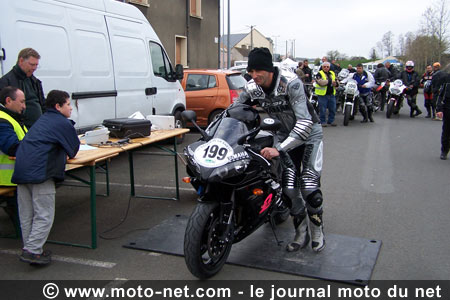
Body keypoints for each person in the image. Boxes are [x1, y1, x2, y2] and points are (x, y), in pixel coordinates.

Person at [236, 47, 325, 252]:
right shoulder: (252, 88)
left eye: (259, 71)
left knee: (309, 187)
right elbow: (235, 109)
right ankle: (301, 233)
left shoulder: (291, 83)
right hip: (283, 135)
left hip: (310, 134)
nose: (255, 75)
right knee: (289, 189)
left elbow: (305, 121)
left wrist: (279, 149)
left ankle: (318, 231)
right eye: (251, 70)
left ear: (269, 69)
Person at [12, 90, 80, 265]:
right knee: (44, 214)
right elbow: (73, 149)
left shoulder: (41, 120)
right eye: (68, 104)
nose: (71, 108)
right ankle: (32, 250)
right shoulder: (61, 123)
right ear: (58, 106)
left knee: (27, 215)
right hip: (41, 172)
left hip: (21, 171)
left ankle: (32, 248)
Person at [0, 86, 27, 226]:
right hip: (8, 178)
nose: (24, 106)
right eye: (21, 102)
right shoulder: (3, 121)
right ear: (8, 101)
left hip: (15, 175)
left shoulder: (12, 118)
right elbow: (12, 148)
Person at [0, 48, 45, 128]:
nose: (34, 68)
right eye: (32, 64)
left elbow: (43, 104)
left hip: (38, 128)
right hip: (21, 128)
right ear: (21, 61)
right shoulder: (6, 82)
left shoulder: (35, 81)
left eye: (36, 65)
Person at [315, 61, 338, 126]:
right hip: (322, 95)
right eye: (324, 67)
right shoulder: (319, 74)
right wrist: (330, 81)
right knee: (322, 109)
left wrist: (336, 83)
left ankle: (331, 121)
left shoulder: (332, 73)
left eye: (327, 67)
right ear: (322, 67)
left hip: (331, 94)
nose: (326, 68)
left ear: (329, 67)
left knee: (333, 109)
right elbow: (320, 82)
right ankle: (322, 121)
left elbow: (337, 81)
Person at [436, 73, 450, 160]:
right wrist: (439, 109)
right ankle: (444, 151)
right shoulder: (447, 80)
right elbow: (440, 96)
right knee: (446, 132)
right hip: (448, 109)